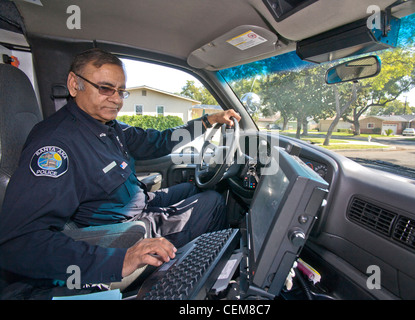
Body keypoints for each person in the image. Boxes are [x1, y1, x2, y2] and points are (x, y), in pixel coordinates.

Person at [0, 48, 241, 298]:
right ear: (74, 85)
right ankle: (208, 285)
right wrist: (121, 259)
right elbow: (19, 243)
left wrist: (207, 122)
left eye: (121, 91)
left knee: (196, 188)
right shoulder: (56, 147)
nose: (116, 99)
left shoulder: (107, 127)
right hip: (120, 230)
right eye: (105, 88)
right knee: (211, 202)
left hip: (141, 203)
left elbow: (156, 140)